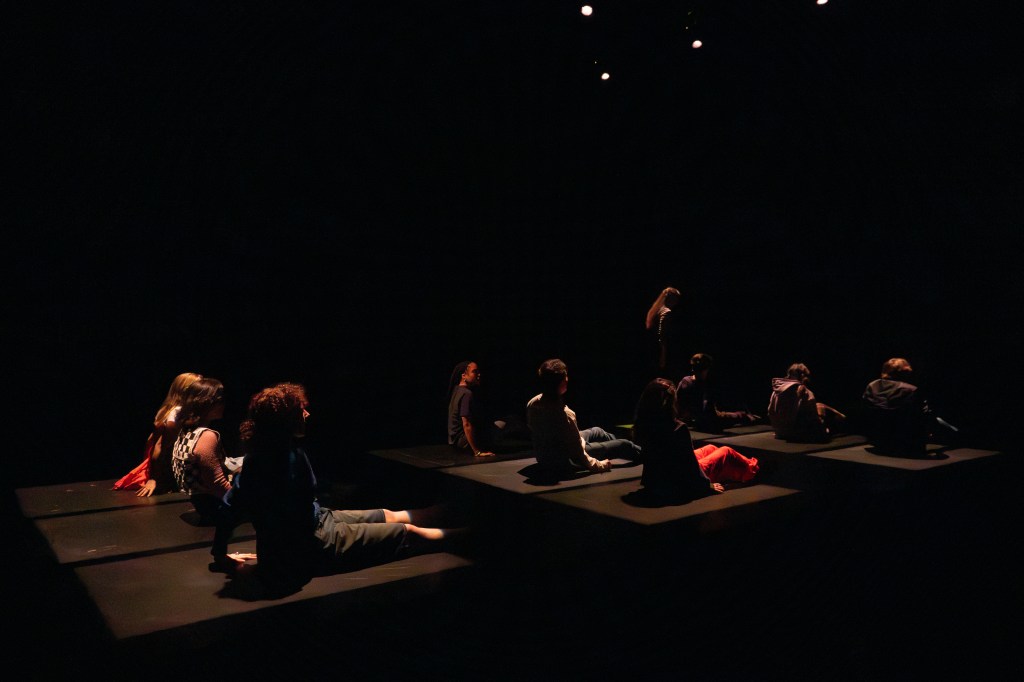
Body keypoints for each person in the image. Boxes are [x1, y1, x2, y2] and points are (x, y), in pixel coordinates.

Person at [211, 382, 448, 596]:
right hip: (314, 543)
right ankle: (464, 535)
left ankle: (446, 511)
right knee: (408, 531)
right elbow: (231, 509)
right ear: (285, 419)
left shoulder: (283, 453)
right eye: (300, 410)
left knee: (389, 514)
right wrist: (224, 557)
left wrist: (219, 552)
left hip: (320, 520)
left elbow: (230, 508)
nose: (307, 414)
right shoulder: (266, 464)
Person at [633, 379, 758, 502]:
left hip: (658, 479)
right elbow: (690, 465)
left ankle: (743, 467)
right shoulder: (677, 428)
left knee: (710, 448)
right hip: (678, 482)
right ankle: (754, 469)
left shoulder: (644, 424)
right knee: (726, 452)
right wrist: (706, 485)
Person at [526, 358, 641, 474]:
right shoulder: (565, 414)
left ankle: (625, 445)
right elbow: (579, 453)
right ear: (561, 383)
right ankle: (646, 453)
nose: (567, 379)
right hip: (566, 460)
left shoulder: (533, 403)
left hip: (545, 455)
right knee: (624, 445)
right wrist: (600, 465)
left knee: (597, 431)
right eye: (565, 377)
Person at [113, 372, 202, 496]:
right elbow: (161, 445)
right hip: (174, 470)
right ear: (186, 391)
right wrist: (153, 478)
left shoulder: (172, 410)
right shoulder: (177, 413)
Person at [172, 377, 235, 522]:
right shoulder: (206, 436)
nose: (223, 405)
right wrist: (241, 501)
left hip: (200, 502)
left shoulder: (186, 432)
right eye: (219, 400)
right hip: (215, 504)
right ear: (206, 403)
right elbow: (217, 484)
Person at [862, 357, 950, 457]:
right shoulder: (910, 390)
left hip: (878, 440)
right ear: (906, 372)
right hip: (905, 444)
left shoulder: (872, 385)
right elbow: (924, 415)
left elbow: (867, 409)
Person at [675, 353, 760, 433]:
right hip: (699, 419)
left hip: (701, 419)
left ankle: (748, 416)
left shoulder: (700, 382)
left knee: (730, 417)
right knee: (729, 417)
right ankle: (748, 416)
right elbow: (678, 401)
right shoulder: (688, 382)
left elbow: (707, 409)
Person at [767, 362, 846, 442]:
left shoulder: (776, 391)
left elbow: (770, 412)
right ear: (803, 376)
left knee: (819, 405)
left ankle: (839, 415)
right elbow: (813, 417)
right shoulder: (804, 391)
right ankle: (841, 418)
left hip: (780, 433)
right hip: (796, 434)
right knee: (820, 407)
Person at [447, 361, 496, 457]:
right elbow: (466, 424)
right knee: (504, 424)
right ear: (464, 375)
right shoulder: (466, 393)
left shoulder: (456, 389)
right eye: (474, 372)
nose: (479, 375)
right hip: (463, 442)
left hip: (454, 443)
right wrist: (477, 452)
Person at [645, 286, 683, 381]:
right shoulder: (666, 312)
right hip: (662, 350)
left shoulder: (655, 310)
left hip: (652, 348)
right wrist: (663, 355)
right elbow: (662, 335)